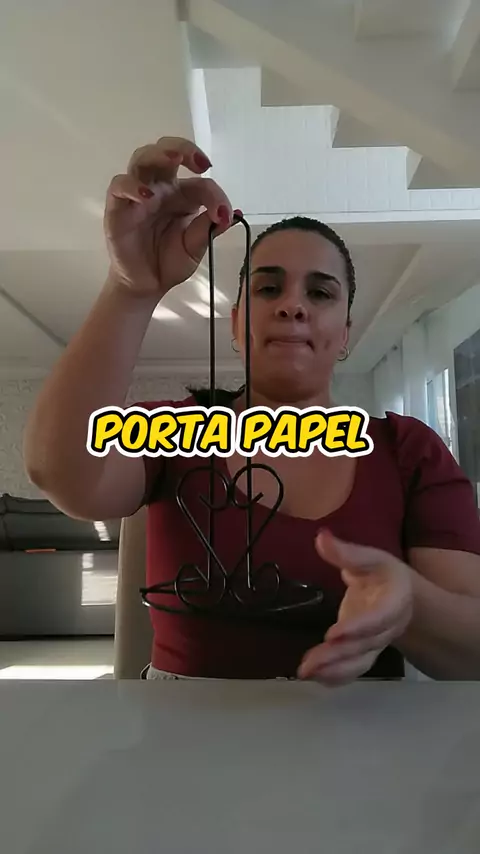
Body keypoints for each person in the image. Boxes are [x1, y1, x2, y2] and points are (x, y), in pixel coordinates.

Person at [24, 136, 480, 685]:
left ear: (344, 335)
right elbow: (60, 472)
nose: (293, 305)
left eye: (320, 293)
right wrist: (130, 288)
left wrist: (410, 603)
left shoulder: (408, 452)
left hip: (358, 735)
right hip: (179, 732)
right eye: (268, 289)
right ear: (238, 325)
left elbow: (471, 657)